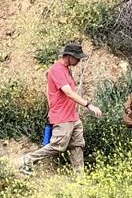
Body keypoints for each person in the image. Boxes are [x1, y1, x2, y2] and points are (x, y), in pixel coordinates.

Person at [20, 41, 102, 175]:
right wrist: (88, 105)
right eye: (77, 58)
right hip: (62, 117)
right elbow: (68, 93)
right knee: (58, 145)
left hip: (73, 116)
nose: (79, 61)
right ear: (69, 56)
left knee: (77, 145)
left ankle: (79, 178)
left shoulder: (67, 70)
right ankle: (28, 159)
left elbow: (50, 91)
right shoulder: (57, 69)